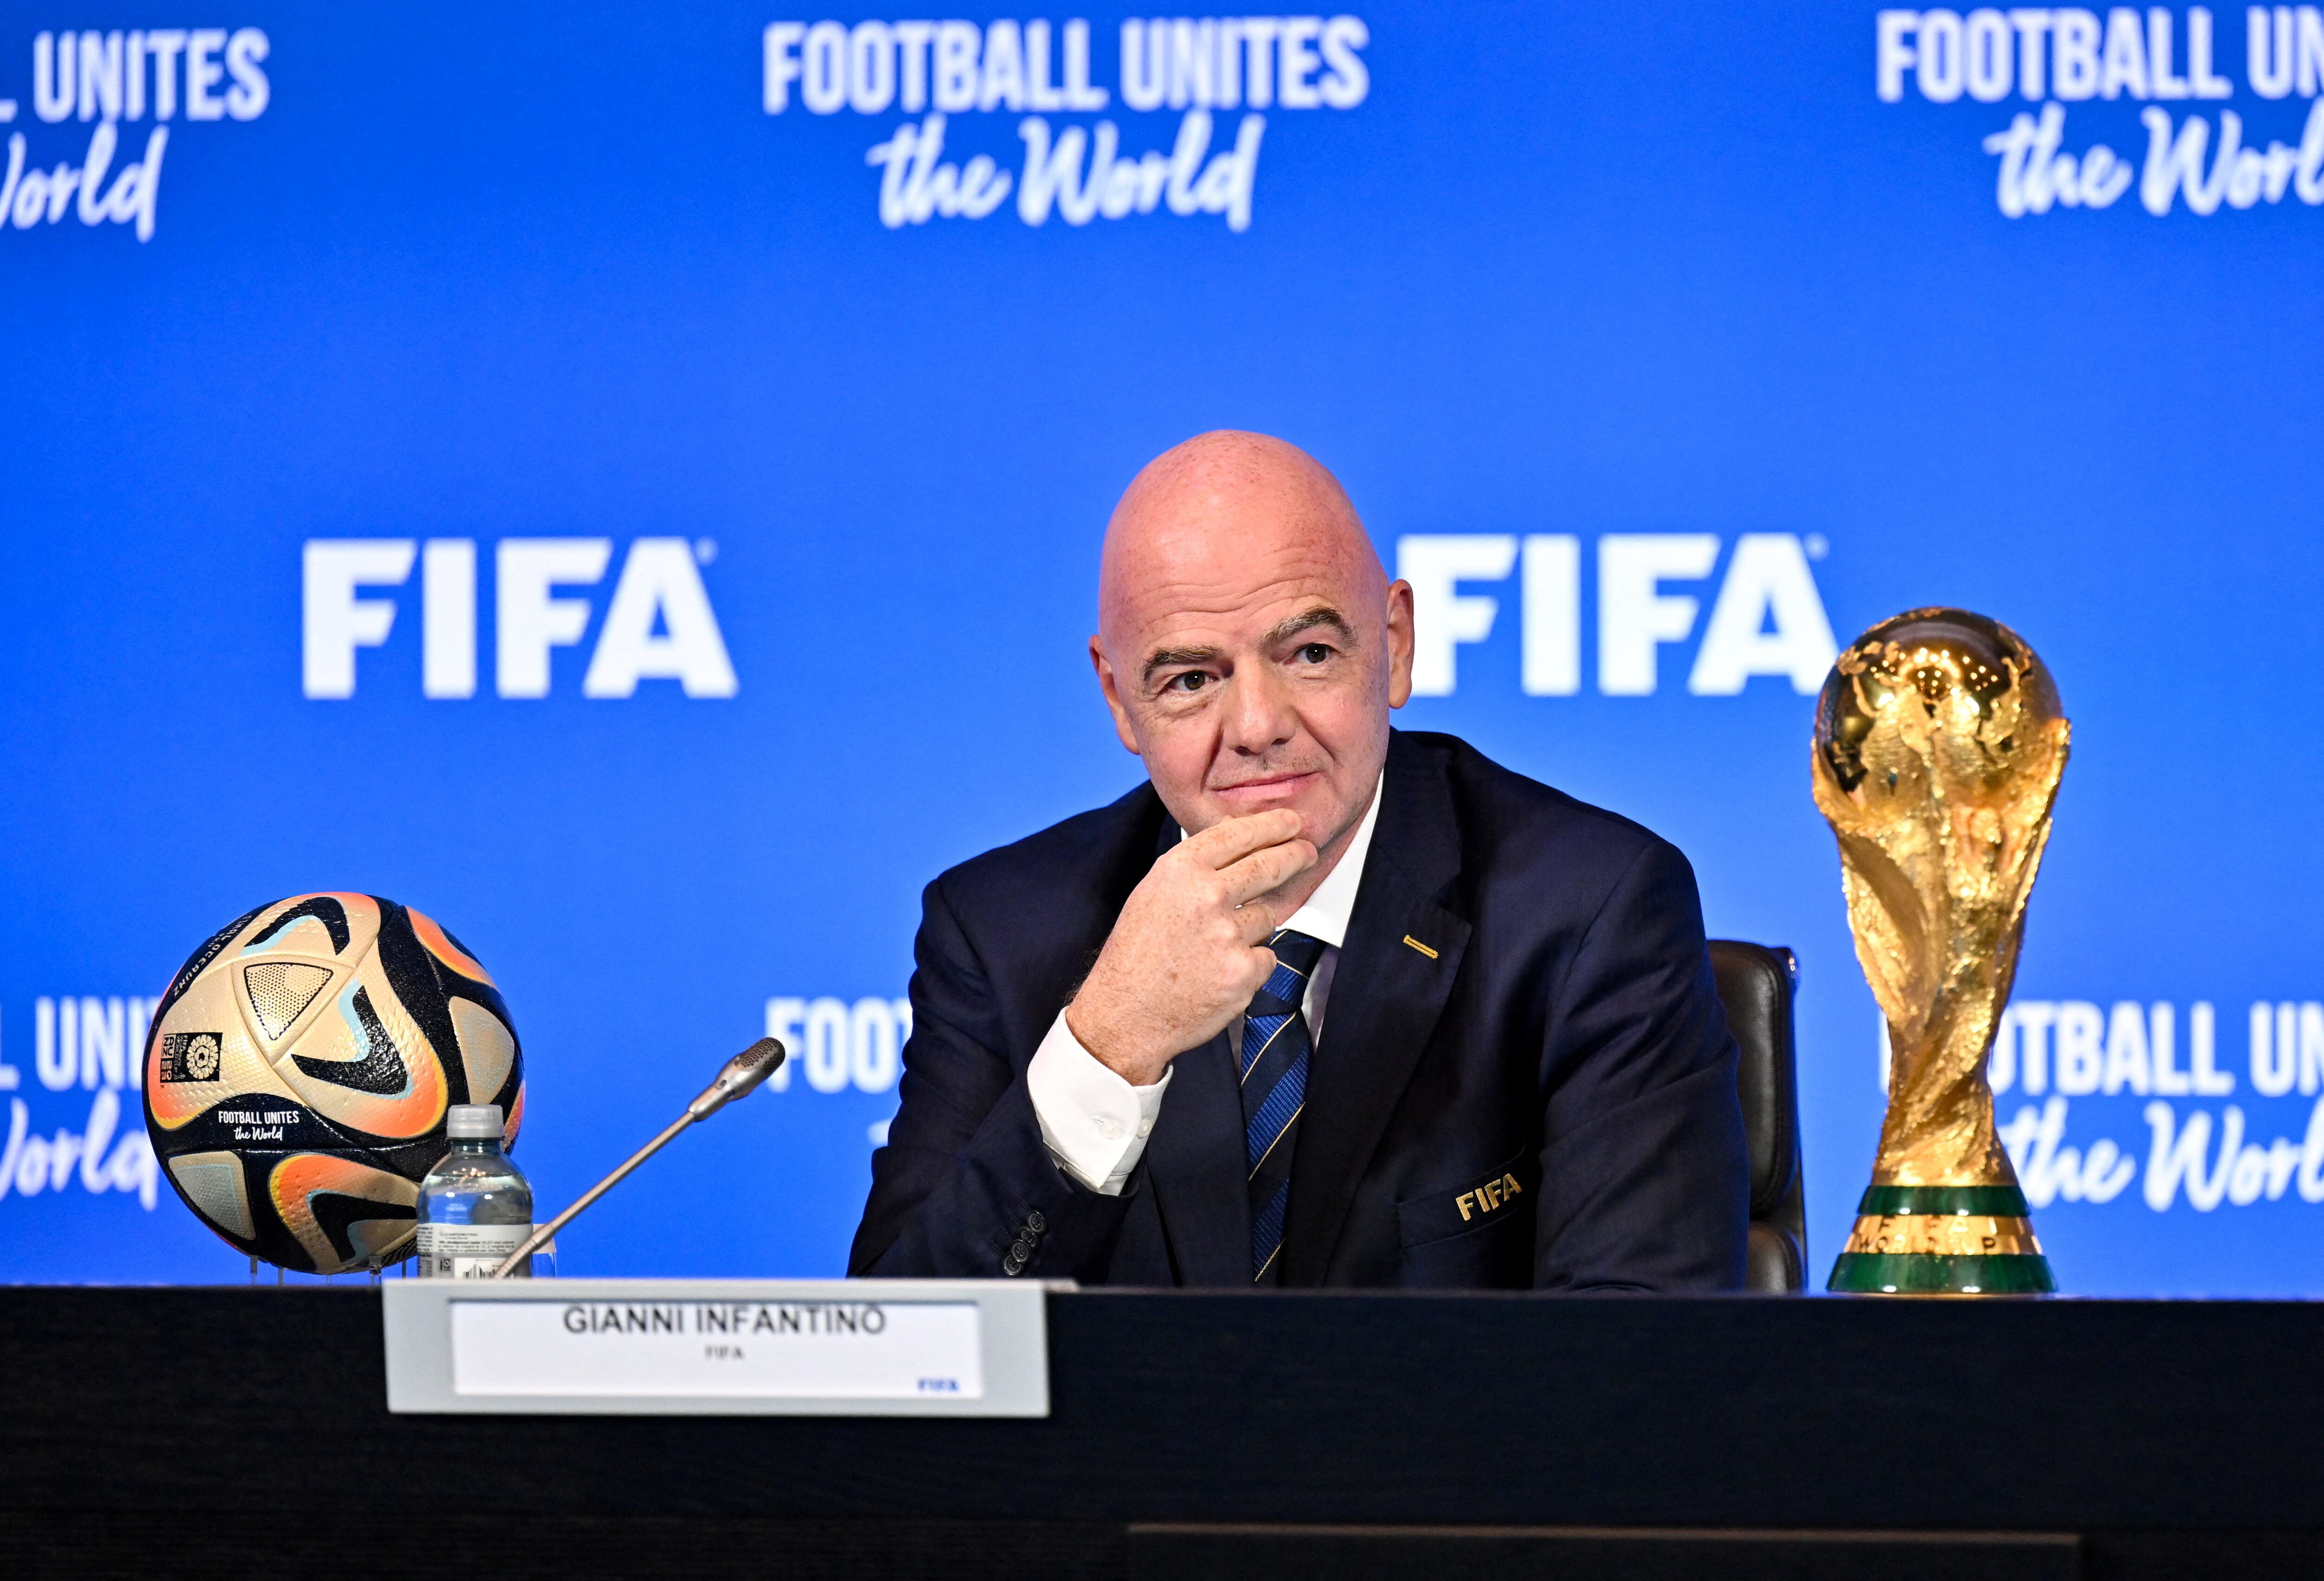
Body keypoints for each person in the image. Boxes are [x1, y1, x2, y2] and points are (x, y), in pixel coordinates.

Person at [849, 432, 1748, 1288]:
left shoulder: (1592, 911)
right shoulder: (1003, 933)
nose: (1256, 727)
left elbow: (1640, 1369)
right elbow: (896, 1366)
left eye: (1310, 653)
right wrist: (1109, 1044)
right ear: (1120, 701)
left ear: (1393, 647)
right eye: (1192, 679)